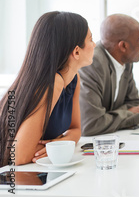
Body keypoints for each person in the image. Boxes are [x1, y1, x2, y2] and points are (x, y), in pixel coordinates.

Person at [0, 11, 95, 166]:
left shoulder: (73, 79)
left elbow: (76, 130)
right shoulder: (53, 83)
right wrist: (55, 146)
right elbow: (19, 156)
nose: (94, 45)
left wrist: (60, 143)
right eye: (91, 39)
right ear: (76, 51)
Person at [79, 14, 139, 136]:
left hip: (112, 139)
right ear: (123, 46)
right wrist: (129, 114)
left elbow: (135, 104)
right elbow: (90, 124)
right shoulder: (92, 64)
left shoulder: (126, 61)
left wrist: (107, 117)